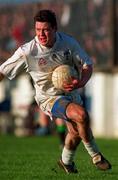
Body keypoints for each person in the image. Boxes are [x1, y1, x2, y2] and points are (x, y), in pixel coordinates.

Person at [0, 9, 111, 174]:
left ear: (55, 28)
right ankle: (96, 155)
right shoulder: (28, 51)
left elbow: (87, 64)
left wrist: (80, 82)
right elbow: (2, 71)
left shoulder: (68, 43)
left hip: (70, 93)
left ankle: (66, 162)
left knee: (75, 132)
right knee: (81, 115)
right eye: (38, 30)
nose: (41, 34)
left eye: (45, 29)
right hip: (48, 97)